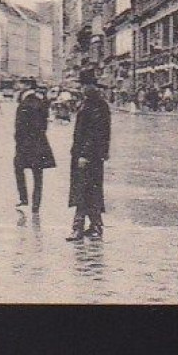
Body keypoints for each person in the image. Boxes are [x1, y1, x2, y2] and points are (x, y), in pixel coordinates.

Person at [65, 68, 111, 241]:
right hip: (87, 154)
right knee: (90, 190)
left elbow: (96, 133)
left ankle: (78, 228)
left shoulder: (97, 105)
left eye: (85, 86)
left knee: (84, 190)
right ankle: (96, 227)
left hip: (89, 156)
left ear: (92, 87)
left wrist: (84, 154)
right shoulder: (90, 103)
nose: (83, 89)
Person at [13, 77, 56, 213]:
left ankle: (24, 199)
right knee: (38, 174)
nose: (19, 86)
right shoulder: (41, 102)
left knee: (19, 168)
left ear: (26, 86)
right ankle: (36, 205)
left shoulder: (25, 103)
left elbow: (20, 127)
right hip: (39, 143)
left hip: (25, 144)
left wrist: (19, 141)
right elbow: (44, 124)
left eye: (21, 83)